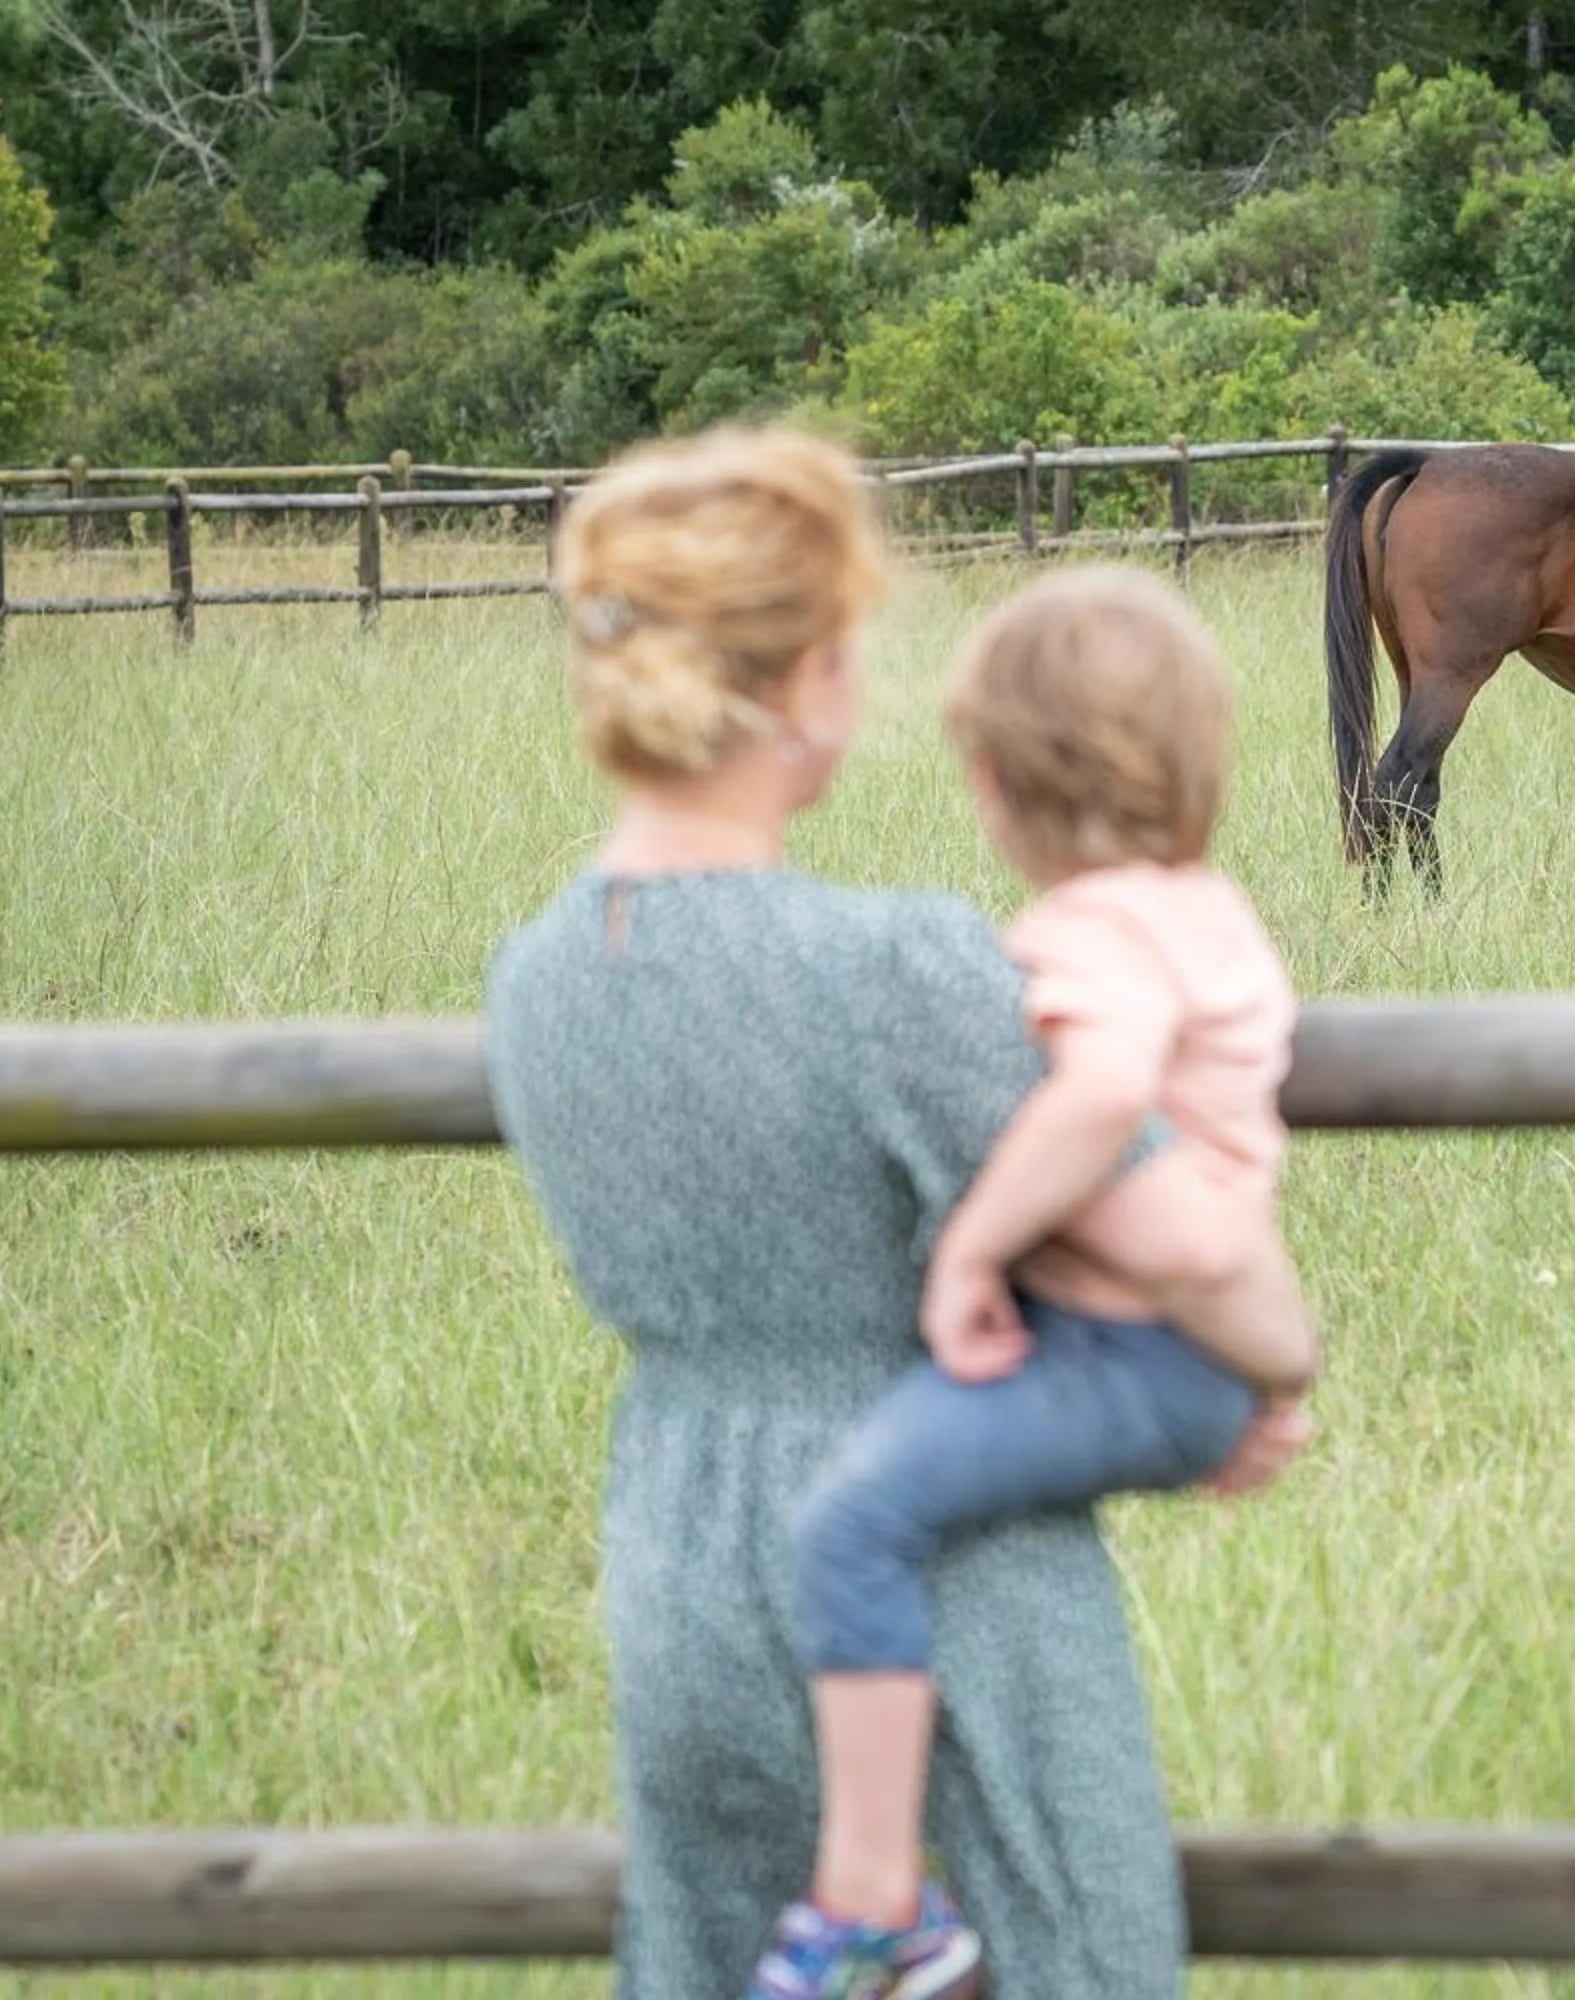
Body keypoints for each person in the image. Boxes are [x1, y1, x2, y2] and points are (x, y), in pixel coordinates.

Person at [481, 424, 1317, 2000]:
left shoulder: (534, 981)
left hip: (677, 1556)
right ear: (806, 686)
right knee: (1077, 1955)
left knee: (729, 1959)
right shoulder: (898, 971)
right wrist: (1280, 1357)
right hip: (952, 1574)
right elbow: (1179, 1241)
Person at [778, 565, 1309, 1998]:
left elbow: (1105, 1095)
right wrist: (1258, 1374)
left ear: (998, 778)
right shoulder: (1211, 910)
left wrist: (968, 1246)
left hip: (1121, 1349)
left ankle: (875, 1896)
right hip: (1187, 1349)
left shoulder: (1093, 932)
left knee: (850, 1520)